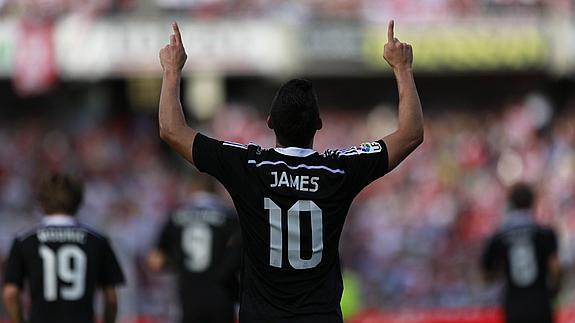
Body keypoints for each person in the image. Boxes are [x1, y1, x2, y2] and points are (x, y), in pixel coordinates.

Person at [158, 20, 423, 322]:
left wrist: (172, 70)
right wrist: (402, 69)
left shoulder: (248, 165)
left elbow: (172, 131)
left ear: (270, 122)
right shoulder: (338, 170)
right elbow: (411, 134)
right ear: (319, 125)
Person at [2, 173, 125, 323]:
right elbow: (111, 298)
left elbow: (10, 293)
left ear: (42, 201)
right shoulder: (97, 240)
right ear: (79, 201)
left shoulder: (25, 240)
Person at [147, 173, 240, 323]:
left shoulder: (175, 217)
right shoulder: (229, 217)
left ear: (192, 189)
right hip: (221, 294)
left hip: (188, 293)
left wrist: (178, 261)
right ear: (214, 190)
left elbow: (154, 262)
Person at [481, 183, 561, 323]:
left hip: (514, 306)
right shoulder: (545, 234)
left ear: (510, 204)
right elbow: (555, 268)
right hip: (540, 303)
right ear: (533, 202)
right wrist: (554, 291)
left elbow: (487, 275)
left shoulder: (499, 238)